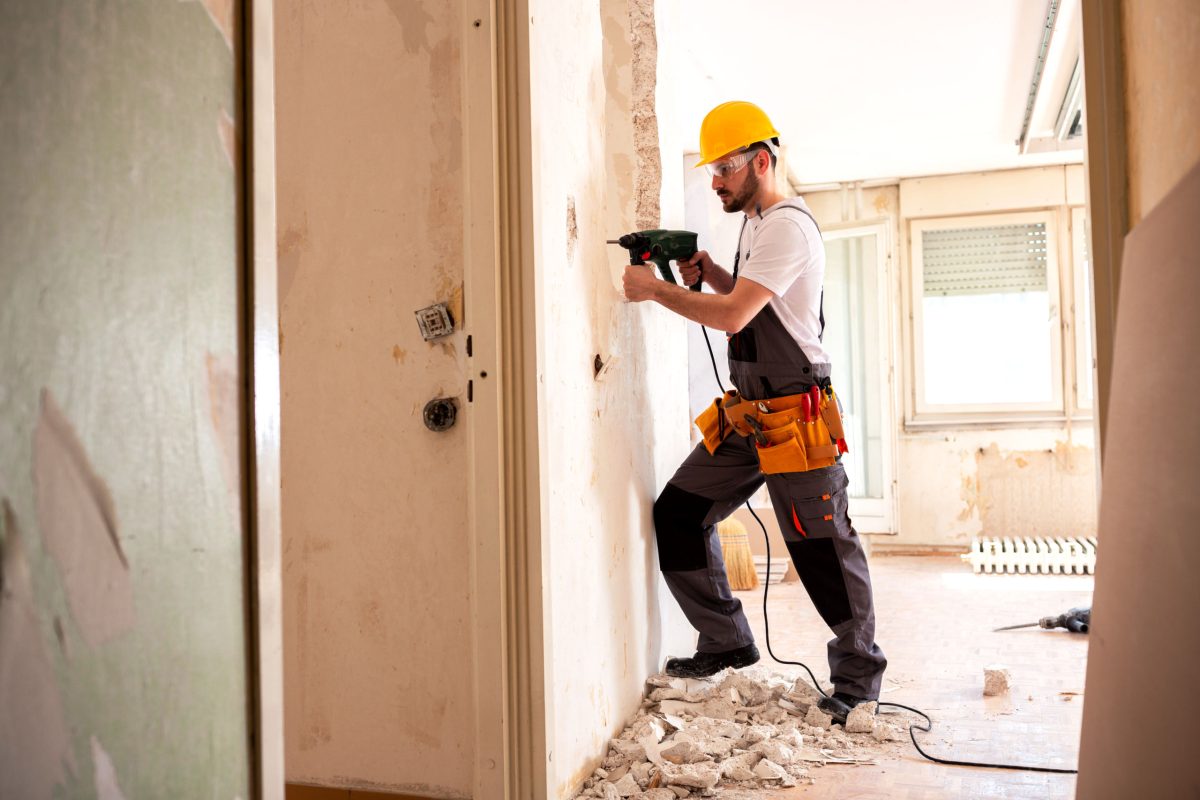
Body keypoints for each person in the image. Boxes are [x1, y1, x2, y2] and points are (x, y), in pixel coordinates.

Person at [621, 100, 886, 723]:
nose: (715, 182)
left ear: (761, 161)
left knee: (822, 548)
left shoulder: (788, 225)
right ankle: (726, 639)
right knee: (679, 513)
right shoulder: (756, 223)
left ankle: (858, 682)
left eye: (726, 168)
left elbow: (736, 316)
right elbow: (756, 300)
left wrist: (656, 290)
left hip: (796, 413)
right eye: (713, 170)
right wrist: (712, 272)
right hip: (751, 414)